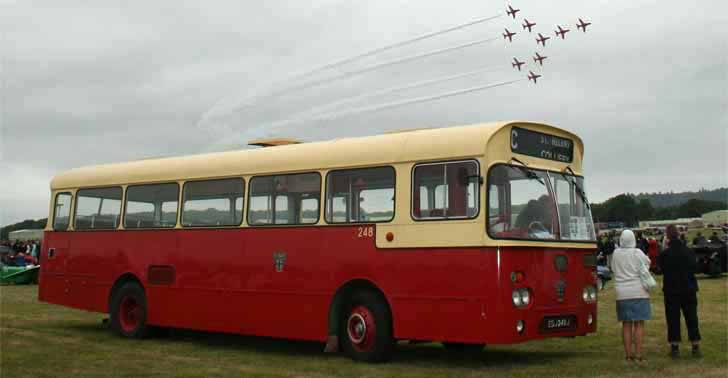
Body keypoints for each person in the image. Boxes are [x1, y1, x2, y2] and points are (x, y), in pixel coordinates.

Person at [658, 224, 702, 359]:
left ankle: (675, 347)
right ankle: (695, 346)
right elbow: (695, 268)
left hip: (672, 290)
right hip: (688, 288)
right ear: (678, 234)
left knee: (673, 319)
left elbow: (661, 270)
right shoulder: (688, 251)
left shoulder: (665, 254)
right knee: (692, 318)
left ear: (667, 236)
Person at [611, 229, 652, 364]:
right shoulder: (637, 253)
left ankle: (628, 356)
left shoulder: (616, 254)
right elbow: (648, 263)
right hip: (639, 291)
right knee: (639, 323)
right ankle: (639, 355)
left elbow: (613, 268)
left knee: (626, 324)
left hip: (622, 293)